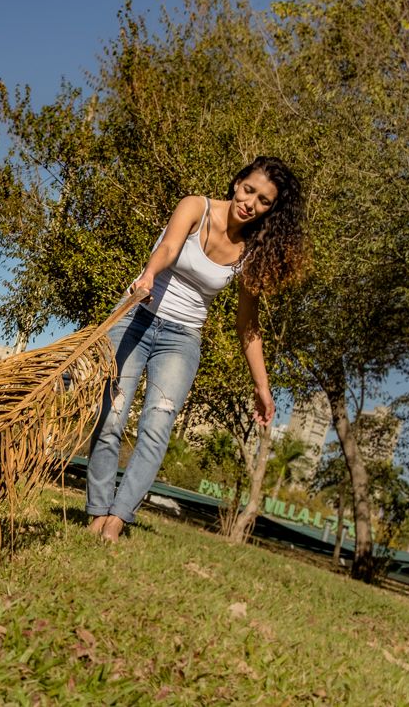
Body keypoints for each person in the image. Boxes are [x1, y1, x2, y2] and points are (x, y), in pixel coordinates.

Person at [86, 156, 306, 542]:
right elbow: (170, 247)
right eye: (249, 190)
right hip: (136, 313)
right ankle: (96, 512)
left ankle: (118, 519)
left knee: (156, 426)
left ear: (271, 210)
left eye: (264, 201)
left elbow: (247, 325)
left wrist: (262, 386)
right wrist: (149, 275)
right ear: (237, 182)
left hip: (181, 338)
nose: (251, 202)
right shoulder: (196, 206)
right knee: (111, 416)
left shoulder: (253, 251)